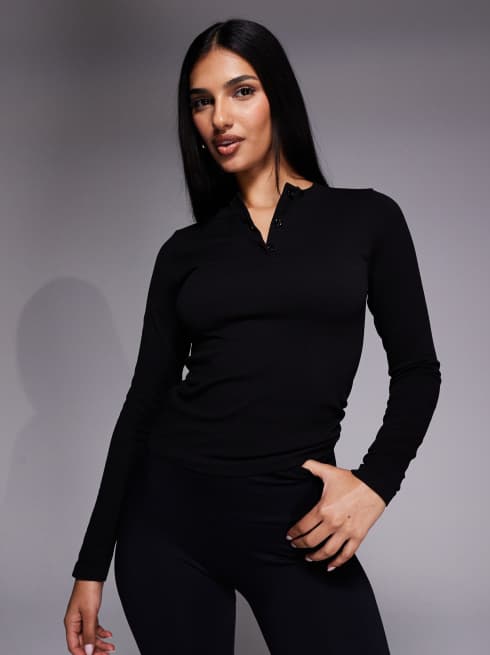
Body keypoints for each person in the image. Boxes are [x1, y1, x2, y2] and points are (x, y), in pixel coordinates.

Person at [63, 18, 441, 655]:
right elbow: (143, 403)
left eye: (241, 91)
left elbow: (418, 372)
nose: (220, 118)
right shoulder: (184, 252)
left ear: (277, 98)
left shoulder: (368, 219)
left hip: (295, 523)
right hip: (169, 526)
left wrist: (375, 484)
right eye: (201, 102)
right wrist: (90, 566)